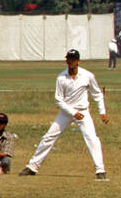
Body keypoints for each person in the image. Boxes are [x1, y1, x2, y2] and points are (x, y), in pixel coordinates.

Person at [20, 49, 108, 179]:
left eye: (73, 59)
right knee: (49, 137)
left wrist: (102, 112)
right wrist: (73, 112)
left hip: (83, 112)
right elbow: (58, 100)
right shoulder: (61, 78)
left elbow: (97, 94)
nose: (70, 62)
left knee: (92, 139)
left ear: (78, 61)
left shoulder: (88, 76)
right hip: (67, 112)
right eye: (69, 59)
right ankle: (32, 167)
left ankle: (100, 170)